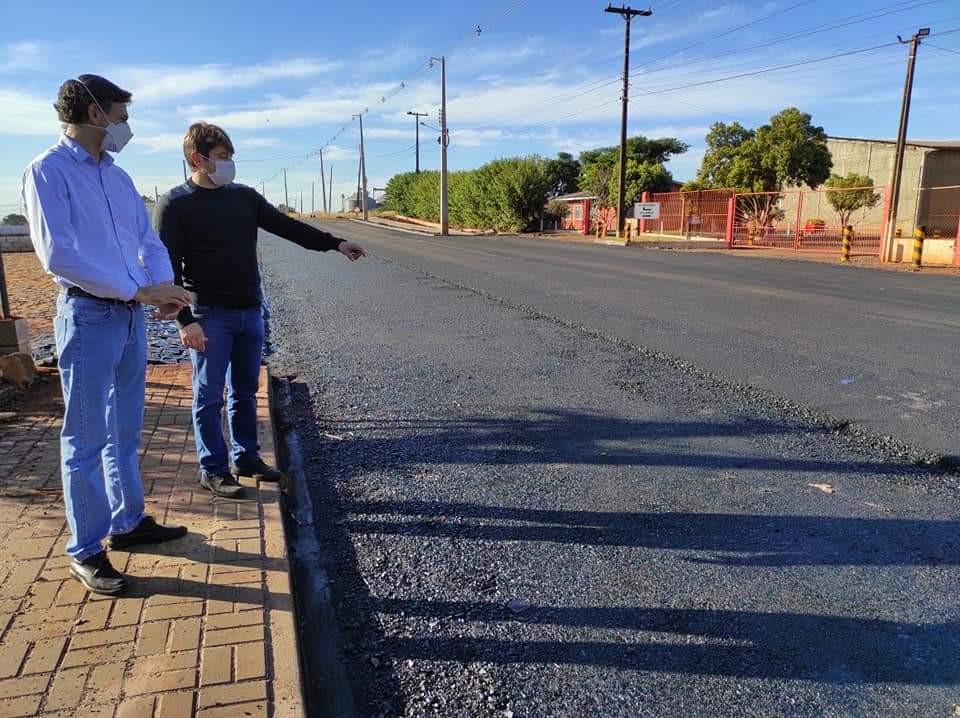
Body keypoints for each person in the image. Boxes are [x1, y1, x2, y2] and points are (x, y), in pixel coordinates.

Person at [20, 75, 194, 595]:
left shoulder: (118, 177)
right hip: (90, 316)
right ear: (95, 114)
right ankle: (87, 548)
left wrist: (159, 286)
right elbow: (60, 256)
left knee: (124, 429)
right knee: (86, 436)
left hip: (128, 317)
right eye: (121, 115)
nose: (125, 125)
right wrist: (134, 291)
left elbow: (146, 239)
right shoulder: (47, 172)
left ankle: (128, 522)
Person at [155, 123, 366, 499]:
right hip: (208, 315)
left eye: (231, 157)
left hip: (250, 310)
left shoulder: (244, 198)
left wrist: (336, 243)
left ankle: (247, 458)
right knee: (209, 395)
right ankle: (214, 469)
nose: (229, 164)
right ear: (197, 159)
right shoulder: (175, 204)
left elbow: (288, 227)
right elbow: (166, 268)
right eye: (222, 158)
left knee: (245, 391)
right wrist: (185, 321)